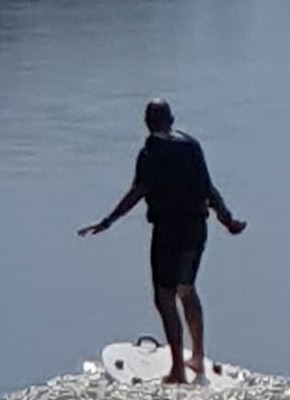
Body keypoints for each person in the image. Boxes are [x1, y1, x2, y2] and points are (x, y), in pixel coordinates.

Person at [79, 98, 246, 384]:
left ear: (147, 123)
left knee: (164, 296)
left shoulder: (150, 153)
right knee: (187, 289)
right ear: (172, 120)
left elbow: (137, 192)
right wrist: (227, 219)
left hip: (168, 232)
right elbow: (208, 188)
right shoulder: (192, 146)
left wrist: (107, 222)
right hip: (196, 229)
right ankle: (197, 357)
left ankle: (178, 370)